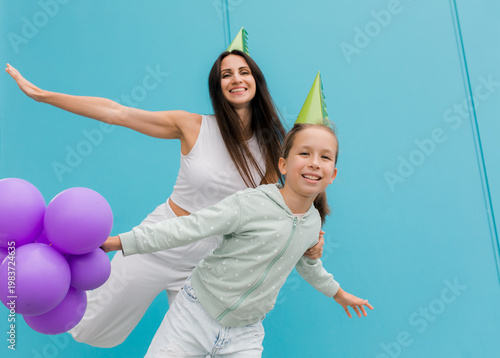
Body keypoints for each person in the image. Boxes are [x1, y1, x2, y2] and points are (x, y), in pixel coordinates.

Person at [5, 51, 325, 348]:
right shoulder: (192, 126)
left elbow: (278, 211)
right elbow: (118, 113)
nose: (236, 79)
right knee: (91, 326)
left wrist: (310, 242)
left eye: (244, 72)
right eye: (226, 75)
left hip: (211, 262)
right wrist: (43, 96)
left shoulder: (271, 151)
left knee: (202, 347)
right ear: (218, 87)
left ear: (256, 81)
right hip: (157, 242)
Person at [102, 123, 374, 357]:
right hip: (195, 315)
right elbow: (189, 227)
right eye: (304, 153)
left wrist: (337, 293)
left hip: (245, 332)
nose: (314, 162)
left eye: (325, 157)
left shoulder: (313, 223)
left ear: (333, 174)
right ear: (283, 164)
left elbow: (307, 265)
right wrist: (120, 242)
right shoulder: (250, 204)